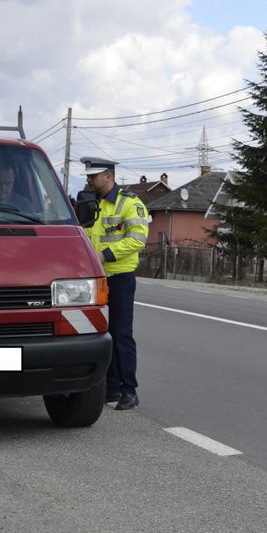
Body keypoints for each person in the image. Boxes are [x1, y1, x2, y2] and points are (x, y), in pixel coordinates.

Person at [81, 156, 149, 410]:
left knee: (121, 334)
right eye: (88, 176)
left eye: (93, 176)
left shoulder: (130, 204)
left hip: (119, 277)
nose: (89, 180)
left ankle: (129, 391)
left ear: (108, 177)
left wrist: (104, 255)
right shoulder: (91, 204)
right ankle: (111, 389)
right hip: (96, 279)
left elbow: (137, 239)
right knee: (102, 333)